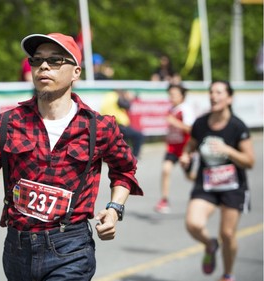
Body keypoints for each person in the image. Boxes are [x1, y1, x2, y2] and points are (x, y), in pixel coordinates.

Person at [0, 32, 143, 281]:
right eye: (37, 60)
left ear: (76, 72)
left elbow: (124, 171)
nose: (43, 66)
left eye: (55, 61)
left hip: (71, 247)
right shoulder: (8, 122)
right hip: (17, 248)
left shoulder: (99, 126)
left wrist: (115, 208)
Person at [180, 80, 255, 281]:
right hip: (207, 183)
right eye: (211, 92)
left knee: (228, 234)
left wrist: (228, 150)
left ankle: (228, 275)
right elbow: (191, 145)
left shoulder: (237, 126)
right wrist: (186, 156)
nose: (214, 96)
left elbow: (249, 161)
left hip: (233, 186)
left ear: (229, 98)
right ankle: (210, 244)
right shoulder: (201, 123)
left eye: (219, 92)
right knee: (193, 223)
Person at [154, 84, 196, 213]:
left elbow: (190, 129)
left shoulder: (186, 109)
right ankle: (164, 200)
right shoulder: (171, 109)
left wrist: (175, 122)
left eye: (174, 95)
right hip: (172, 148)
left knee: (189, 176)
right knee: (166, 170)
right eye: (170, 94)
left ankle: (205, 185)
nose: (171, 97)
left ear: (182, 96)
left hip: (185, 149)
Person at [100, 89, 145, 158]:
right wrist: (129, 99)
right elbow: (126, 105)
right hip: (119, 125)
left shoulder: (107, 97)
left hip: (107, 124)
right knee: (138, 135)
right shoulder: (116, 97)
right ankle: (134, 156)